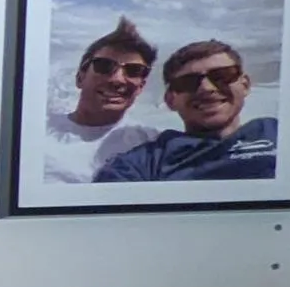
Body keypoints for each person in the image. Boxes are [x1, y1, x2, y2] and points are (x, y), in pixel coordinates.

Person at [96, 38, 279, 183]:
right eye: (188, 83)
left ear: (245, 85)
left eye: (222, 76)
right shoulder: (143, 163)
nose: (207, 88)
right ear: (170, 100)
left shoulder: (280, 134)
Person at [39, 19, 160, 183]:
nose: (117, 80)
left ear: (140, 87)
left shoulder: (155, 145)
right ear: (80, 77)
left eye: (134, 71)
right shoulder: (35, 135)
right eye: (104, 66)